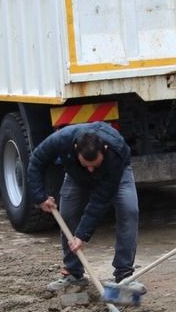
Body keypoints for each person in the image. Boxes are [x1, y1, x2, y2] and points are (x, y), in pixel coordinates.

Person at [26, 122, 139, 292]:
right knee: (68, 213)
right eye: (87, 164)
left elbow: (101, 199)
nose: (91, 170)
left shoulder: (116, 151)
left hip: (115, 175)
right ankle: (73, 274)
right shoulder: (62, 140)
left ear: (105, 149)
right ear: (76, 149)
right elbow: (36, 161)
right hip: (76, 176)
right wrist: (40, 197)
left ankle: (124, 276)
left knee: (129, 211)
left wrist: (82, 235)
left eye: (95, 164)